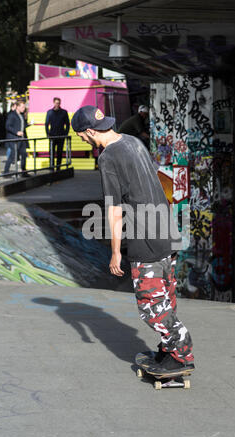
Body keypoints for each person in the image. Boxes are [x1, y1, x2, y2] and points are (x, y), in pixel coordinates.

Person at [71, 105, 194, 373]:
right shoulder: (133, 141)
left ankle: (181, 353)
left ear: (90, 131)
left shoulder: (108, 158)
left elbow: (114, 208)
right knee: (166, 297)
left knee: (151, 304)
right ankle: (167, 351)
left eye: (81, 135)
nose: (82, 139)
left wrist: (116, 252)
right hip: (166, 232)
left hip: (145, 238)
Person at [3, 100, 30, 178]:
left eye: (24, 107)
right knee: (13, 155)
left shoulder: (21, 115)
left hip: (22, 138)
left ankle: (24, 171)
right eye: (22, 107)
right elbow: (8, 126)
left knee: (24, 155)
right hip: (14, 138)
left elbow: (23, 125)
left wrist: (29, 124)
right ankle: (6, 172)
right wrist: (16, 132)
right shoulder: (12, 115)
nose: (24, 108)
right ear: (17, 107)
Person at [45, 97, 70, 170]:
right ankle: (51, 167)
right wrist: (48, 134)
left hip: (61, 135)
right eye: (56, 103)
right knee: (51, 153)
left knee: (59, 153)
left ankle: (58, 168)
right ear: (53, 103)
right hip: (52, 136)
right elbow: (46, 124)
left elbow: (67, 124)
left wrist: (65, 133)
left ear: (60, 103)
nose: (57, 104)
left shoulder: (64, 112)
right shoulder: (49, 112)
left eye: (58, 103)